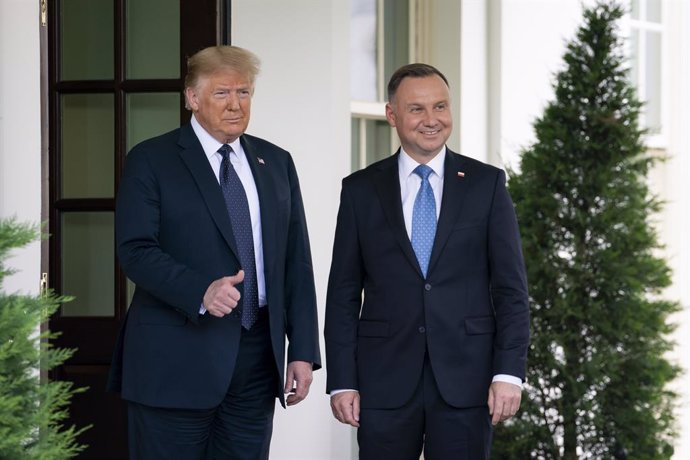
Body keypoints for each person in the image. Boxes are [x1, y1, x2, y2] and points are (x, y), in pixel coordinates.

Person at [107, 45, 321, 460]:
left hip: (258, 361)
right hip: (175, 360)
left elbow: (296, 261)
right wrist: (199, 290)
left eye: (244, 93)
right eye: (222, 93)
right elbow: (134, 250)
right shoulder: (152, 160)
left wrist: (304, 351)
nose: (235, 105)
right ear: (192, 98)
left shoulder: (276, 162)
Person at [324, 63, 530, 459]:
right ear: (392, 115)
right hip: (383, 381)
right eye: (416, 109)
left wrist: (508, 373)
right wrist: (342, 380)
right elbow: (343, 294)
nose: (431, 120)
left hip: (467, 380)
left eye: (440, 106)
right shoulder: (360, 190)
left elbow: (511, 290)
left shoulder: (487, 185)